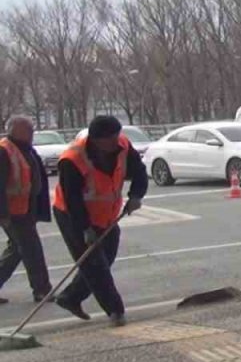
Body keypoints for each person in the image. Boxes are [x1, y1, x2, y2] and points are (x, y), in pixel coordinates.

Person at [51, 115, 147, 326]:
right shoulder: (72, 160)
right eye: (110, 139)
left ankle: (71, 297)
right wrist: (85, 229)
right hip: (72, 216)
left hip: (106, 214)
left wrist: (136, 195)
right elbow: (73, 200)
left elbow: (139, 171)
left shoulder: (122, 145)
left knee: (108, 255)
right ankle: (116, 311)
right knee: (95, 264)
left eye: (116, 136)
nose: (116, 141)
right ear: (96, 140)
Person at [0, 116, 52, 304]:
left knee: (17, 249)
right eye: (28, 129)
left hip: (23, 209)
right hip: (12, 212)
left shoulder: (23, 149)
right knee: (31, 249)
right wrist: (3, 214)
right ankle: (42, 290)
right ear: (16, 130)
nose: (32, 133)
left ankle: (41, 289)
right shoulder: (5, 150)